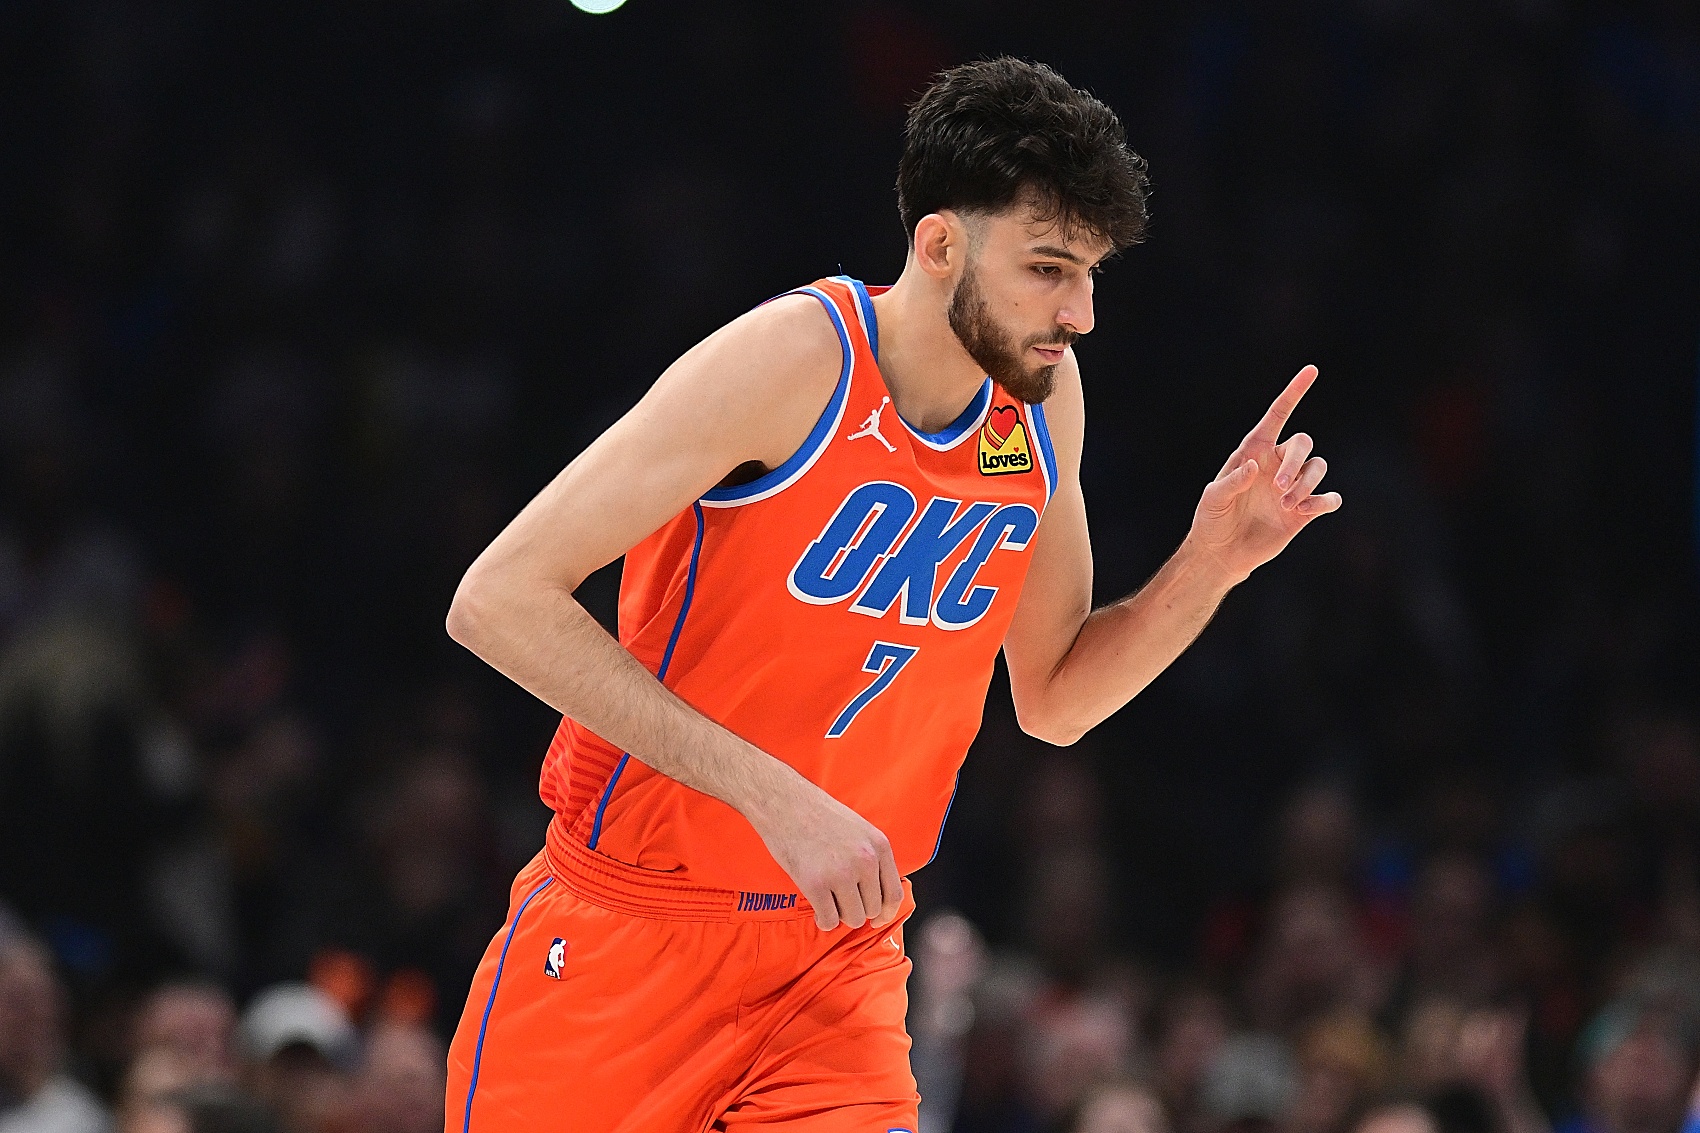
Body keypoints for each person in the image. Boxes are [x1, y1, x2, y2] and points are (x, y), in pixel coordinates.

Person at [443, 57, 1341, 1132]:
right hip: (629, 931)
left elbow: (1055, 697)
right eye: (1048, 268)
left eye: (1092, 273)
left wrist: (1210, 564)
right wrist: (773, 796)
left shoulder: (1039, 400)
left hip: (836, 956)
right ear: (940, 244)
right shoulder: (793, 361)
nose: (1081, 313)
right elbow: (495, 598)